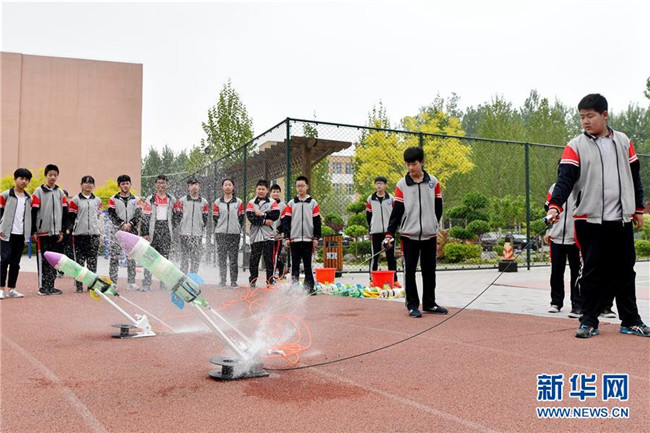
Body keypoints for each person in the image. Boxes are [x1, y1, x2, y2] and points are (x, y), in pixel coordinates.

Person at [546, 93, 648, 338]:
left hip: (621, 220)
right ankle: (589, 321)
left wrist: (637, 209)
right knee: (592, 271)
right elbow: (564, 180)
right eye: (582, 117)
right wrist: (555, 205)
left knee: (625, 271)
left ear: (605, 115)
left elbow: (635, 177)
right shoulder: (575, 146)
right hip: (589, 221)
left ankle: (630, 320)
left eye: (590, 116)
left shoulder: (623, 141)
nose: (585, 121)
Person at [384, 147, 447, 318]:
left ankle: (429, 303)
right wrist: (389, 234)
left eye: (414, 164)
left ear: (422, 162)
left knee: (430, 270)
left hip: (429, 235)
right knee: (409, 271)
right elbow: (397, 211)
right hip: (409, 236)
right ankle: (412, 305)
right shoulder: (402, 184)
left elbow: (438, 208)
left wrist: (432, 223)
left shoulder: (433, 182)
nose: (411, 168)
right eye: (408, 164)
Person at [545, 180, 581, 317]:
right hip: (556, 237)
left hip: (575, 238)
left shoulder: (582, 186)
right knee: (556, 271)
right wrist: (549, 230)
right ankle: (556, 302)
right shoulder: (554, 187)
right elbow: (548, 210)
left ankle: (577, 304)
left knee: (576, 272)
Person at [31, 164, 67, 296]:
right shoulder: (38, 191)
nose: (52, 177)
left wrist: (62, 231)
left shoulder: (60, 193)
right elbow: (33, 212)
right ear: (46, 175)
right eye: (50, 175)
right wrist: (34, 231)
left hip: (56, 233)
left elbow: (64, 213)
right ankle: (42, 287)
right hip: (42, 232)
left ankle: (51, 286)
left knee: (53, 261)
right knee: (43, 260)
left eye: (55, 175)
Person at [281, 176, 321, 294]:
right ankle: (294, 288)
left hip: (308, 239)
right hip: (294, 239)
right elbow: (286, 221)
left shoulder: (313, 203)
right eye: (298, 186)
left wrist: (316, 237)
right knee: (295, 265)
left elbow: (317, 221)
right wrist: (287, 237)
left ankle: (309, 288)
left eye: (302, 186)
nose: (300, 188)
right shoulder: (291, 203)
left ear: (307, 186)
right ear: (296, 187)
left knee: (308, 265)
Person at [141, 174, 179, 290]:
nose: (161, 185)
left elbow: (177, 215)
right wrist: (145, 233)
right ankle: (147, 283)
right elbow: (145, 217)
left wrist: (172, 227)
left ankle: (163, 283)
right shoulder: (150, 199)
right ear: (155, 185)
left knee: (164, 259)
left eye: (163, 183)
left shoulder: (172, 199)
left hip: (166, 231)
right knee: (149, 258)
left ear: (167, 184)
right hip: (153, 230)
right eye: (159, 183)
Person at [0, 168, 33, 299]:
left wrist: (29, 233)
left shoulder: (29, 198)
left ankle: (11, 289)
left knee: (15, 262)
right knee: (4, 260)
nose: (24, 181)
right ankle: (1, 289)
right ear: (15, 179)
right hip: (6, 233)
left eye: (27, 179)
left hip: (21, 234)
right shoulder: (5, 195)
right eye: (21, 178)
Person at [68, 176, 103, 292]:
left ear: (94, 185)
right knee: (79, 262)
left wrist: (99, 232)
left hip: (94, 235)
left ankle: (91, 285)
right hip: (79, 235)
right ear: (81, 185)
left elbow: (99, 217)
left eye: (91, 183)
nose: (88, 185)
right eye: (86, 183)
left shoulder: (97, 200)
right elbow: (71, 217)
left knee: (92, 261)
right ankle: (79, 286)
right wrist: (70, 230)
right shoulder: (75, 200)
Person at [107, 174, 141, 290]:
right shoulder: (113, 199)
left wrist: (130, 224)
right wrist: (122, 224)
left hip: (132, 231)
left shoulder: (136, 199)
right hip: (117, 232)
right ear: (119, 185)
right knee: (114, 257)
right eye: (123, 184)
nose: (125, 186)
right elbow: (111, 214)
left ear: (130, 184)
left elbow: (138, 214)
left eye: (127, 183)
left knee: (131, 257)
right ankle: (113, 282)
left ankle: (131, 282)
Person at [366, 176, 401, 287]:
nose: (379, 185)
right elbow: (368, 215)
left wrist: (393, 229)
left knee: (391, 257)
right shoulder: (370, 199)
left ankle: (394, 280)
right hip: (375, 232)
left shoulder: (391, 198)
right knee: (374, 256)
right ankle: (372, 280)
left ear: (385, 185)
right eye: (377, 183)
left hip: (388, 232)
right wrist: (372, 227)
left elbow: (395, 215)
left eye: (381, 183)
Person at [246, 180, 280, 287]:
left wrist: (263, 214)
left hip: (268, 235)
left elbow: (275, 215)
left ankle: (270, 280)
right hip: (255, 235)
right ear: (256, 189)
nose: (261, 191)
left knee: (269, 259)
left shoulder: (272, 202)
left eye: (263, 189)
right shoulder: (251, 203)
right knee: (254, 259)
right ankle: (253, 279)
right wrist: (265, 221)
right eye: (259, 189)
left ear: (267, 190)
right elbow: (251, 217)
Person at [213, 178, 244, 288]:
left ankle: (233, 281)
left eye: (229, 185)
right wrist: (220, 227)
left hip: (234, 234)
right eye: (225, 185)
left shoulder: (238, 202)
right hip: (221, 233)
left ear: (233, 187)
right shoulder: (217, 202)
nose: (227, 187)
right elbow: (215, 218)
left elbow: (241, 217)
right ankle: (222, 280)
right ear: (222, 187)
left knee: (233, 258)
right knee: (222, 258)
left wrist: (237, 227)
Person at [176, 178, 209, 275]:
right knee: (184, 258)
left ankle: (193, 277)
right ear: (188, 187)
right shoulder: (182, 201)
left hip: (197, 234)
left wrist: (200, 226)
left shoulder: (204, 202)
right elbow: (178, 217)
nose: (194, 186)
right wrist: (181, 227)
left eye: (196, 184)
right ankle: (183, 277)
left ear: (199, 186)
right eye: (192, 184)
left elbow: (205, 218)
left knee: (195, 258)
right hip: (184, 233)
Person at [270, 184, 287, 279]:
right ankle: (272, 274)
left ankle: (276, 274)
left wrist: (279, 229)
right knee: (269, 257)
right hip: (267, 236)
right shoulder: (267, 203)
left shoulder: (283, 206)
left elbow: (285, 220)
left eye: (277, 192)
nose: (276, 193)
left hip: (277, 236)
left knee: (276, 255)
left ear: (280, 193)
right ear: (270, 193)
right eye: (274, 192)